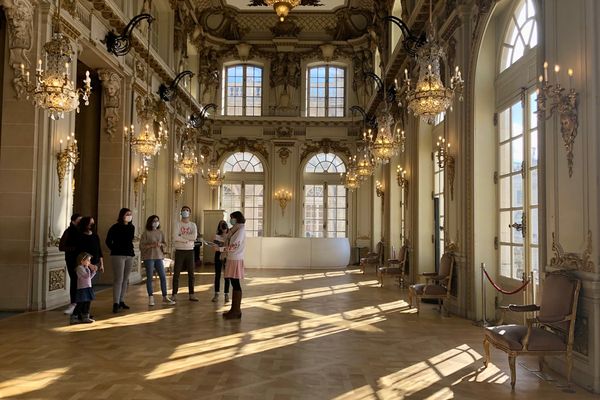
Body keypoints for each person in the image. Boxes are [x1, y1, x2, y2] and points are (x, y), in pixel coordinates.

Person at [140, 215, 175, 306]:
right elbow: (142, 246)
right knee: (150, 277)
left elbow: (165, 244)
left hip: (159, 257)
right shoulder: (146, 233)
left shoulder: (160, 232)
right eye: (154, 221)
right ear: (150, 222)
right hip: (149, 257)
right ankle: (151, 297)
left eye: (157, 221)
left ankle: (165, 297)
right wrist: (151, 245)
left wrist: (160, 244)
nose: (156, 222)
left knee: (163, 276)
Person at [105, 208, 135, 313]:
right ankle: (116, 302)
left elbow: (129, 241)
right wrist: (114, 249)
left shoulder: (132, 227)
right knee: (118, 279)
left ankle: (122, 300)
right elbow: (108, 241)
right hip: (118, 255)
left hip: (129, 255)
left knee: (125, 279)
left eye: (130, 214)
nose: (129, 216)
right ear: (122, 215)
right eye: (127, 214)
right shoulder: (115, 227)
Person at [222, 211, 246, 320]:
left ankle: (237, 310)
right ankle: (234, 309)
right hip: (232, 258)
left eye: (232, 218)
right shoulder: (235, 229)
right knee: (233, 282)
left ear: (237, 219)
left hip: (236, 258)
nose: (231, 220)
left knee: (236, 283)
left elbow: (234, 245)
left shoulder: (240, 230)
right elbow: (229, 241)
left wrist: (221, 249)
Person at [172, 206, 199, 301]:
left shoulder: (193, 225)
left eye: (187, 210)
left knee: (191, 274)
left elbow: (194, 237)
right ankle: (174, 294)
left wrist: (182, 236)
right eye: (183, 210)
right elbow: (175, 237)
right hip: (179, 250)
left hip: (190, 251)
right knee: (176, 273)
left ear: (190, 213)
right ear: (181, 212)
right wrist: (187, 239)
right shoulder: (177, 224)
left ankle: (191, 294)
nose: (185, 212)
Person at [59, 213, 82, 315]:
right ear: (74, 221)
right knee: (74, 281)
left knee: (82, 282)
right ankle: (73, 303)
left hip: (81, 260)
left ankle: (80, 304)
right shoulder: (68, 232)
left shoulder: (82, 232)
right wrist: (74, 249)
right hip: (72, 260)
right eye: (79, 220)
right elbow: (61, 247)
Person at [75, 216, 104, 286]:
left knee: (93, 285)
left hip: (95, 264)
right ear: (85, 224)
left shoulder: (95, 236)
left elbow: (99, 251)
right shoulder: (80, 236)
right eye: (91, 223)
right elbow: (80, 253)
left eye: (93, 223)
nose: (93, 225)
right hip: (84, 265)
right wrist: (89, 265)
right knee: (86, 285)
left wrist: (102, 264)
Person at [70, 252, 97, 324]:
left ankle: (85, 316)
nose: (89, 262)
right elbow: (86, 276)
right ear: (82, 261)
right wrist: (89, 268)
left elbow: (89, 278)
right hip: (82, 289)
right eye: (88, 260)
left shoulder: (85, 268)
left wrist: (93, 271)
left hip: (88, 288)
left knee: (87, 303)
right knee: (80, 303)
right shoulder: (79, 268)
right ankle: (74, 316)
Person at [211, 220, 230, 303]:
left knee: (227, 276)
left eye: (225, 226)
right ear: (219, 228)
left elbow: (229, 248)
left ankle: (226, 294)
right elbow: (215, 248)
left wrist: (221, 248)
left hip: (227, 256)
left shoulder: (229, 235)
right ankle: (216, 294)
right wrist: (223, 248)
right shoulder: (216, 236)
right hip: (218, 256)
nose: (224, 229)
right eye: (222, 227)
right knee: (217, 275)